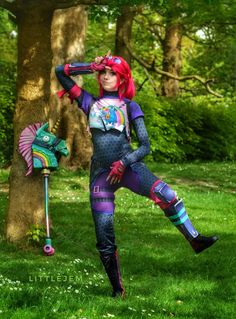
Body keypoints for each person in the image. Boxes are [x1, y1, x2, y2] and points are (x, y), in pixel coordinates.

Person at [55, 53, 218, 298]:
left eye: (112, 73)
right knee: (104, 235)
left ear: (122, 79)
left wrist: (125, 162)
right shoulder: (89, 102)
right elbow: (60, 71)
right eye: (104, 73)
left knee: (167, 194)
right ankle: (117, 290)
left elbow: (145, 146)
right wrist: (91, 66)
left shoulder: (131, 106)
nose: (106, 77)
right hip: (101, 175)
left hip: (130, 169)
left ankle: (195, 239)